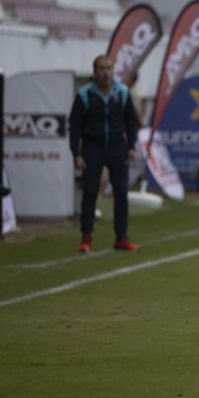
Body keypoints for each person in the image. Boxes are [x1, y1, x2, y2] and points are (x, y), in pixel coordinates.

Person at [68, 55, 141, 253]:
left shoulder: (123, 93)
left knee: (121, 192)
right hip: (93, 147)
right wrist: (76, 152)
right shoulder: (84, 95)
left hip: (117, 146)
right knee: (90, 190)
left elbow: (131, 122)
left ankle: (122, 237)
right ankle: (86, 237)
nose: (105, 72)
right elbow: (74, 125)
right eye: (101, 69)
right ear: (95, 71)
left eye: (108, 68)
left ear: (113, 70)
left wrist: (132, 145)